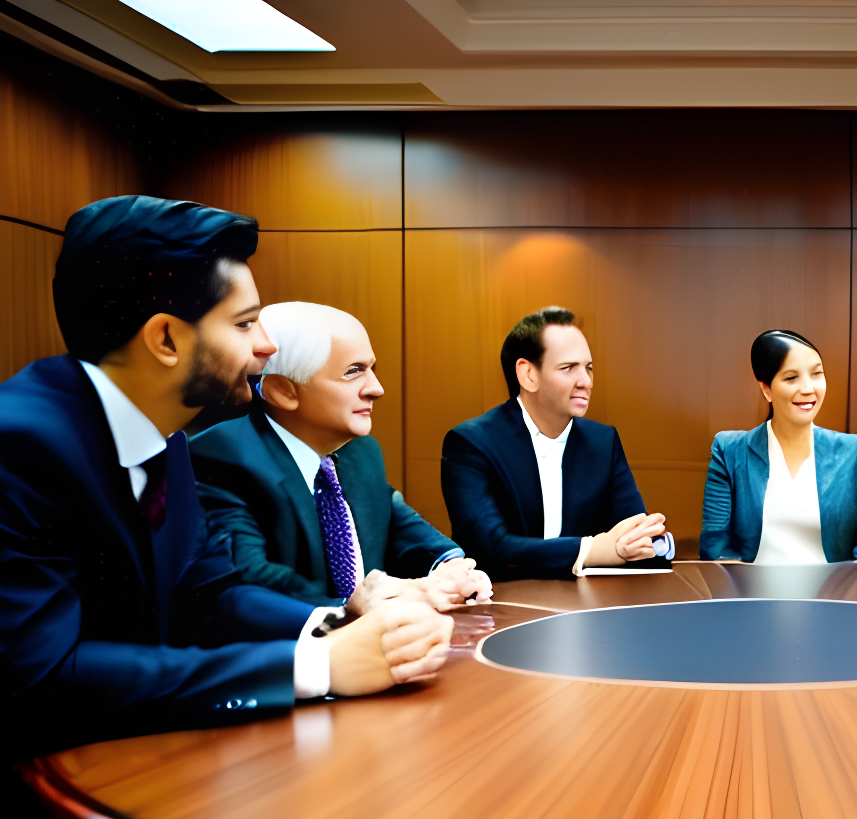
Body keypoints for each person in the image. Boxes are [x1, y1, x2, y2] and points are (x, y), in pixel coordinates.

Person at [0, 196, 451, 755]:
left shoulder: (168, 439)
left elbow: (208, 594)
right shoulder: (18, 447)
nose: (266, 346)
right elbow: (40, 676)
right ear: (165, 339)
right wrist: (314, 667)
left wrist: (339, 621)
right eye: (244, 323)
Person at [191, 301, 492, 610]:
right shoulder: (221, 457)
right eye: (353, 372)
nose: (377, 388)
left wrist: (449, 569)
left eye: (372, 369)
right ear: (283, 391)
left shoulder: (362, 451)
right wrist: (351, 606)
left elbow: (397, 522)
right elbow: (248, 580)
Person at [441, 306, 668, 579]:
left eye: (589, 368)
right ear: (528, 375)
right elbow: (489, 547)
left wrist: (642, 543)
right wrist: (593, 549)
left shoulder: (603, 441)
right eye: (568, 368)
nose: (586, 381)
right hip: (501, 605)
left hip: (590, 605)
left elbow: (635, 536)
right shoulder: (472, 443)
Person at [701, 330, 857, 563]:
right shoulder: (729, 451)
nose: (808, 389)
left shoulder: (851, 450)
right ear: (766, 389)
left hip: (831, 595)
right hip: (751, 594)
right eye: (791, 378)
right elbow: (715, 547)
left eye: (817, 374)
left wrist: (843, 589)